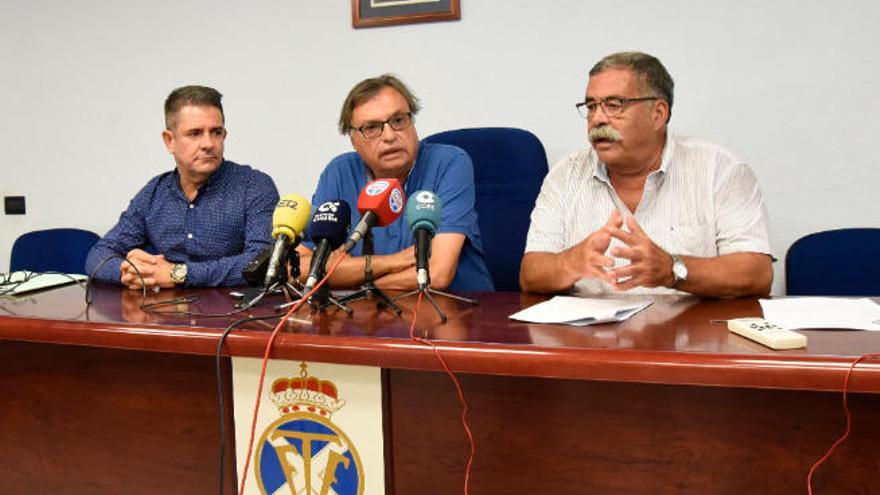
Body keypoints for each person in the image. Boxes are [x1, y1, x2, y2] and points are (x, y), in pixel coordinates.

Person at [520, 52, 772, 297]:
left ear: (658, 114)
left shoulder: (720, 169)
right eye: (591, 106)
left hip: (690, 334)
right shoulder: (566, 175)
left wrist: (672, 270)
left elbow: (757, 275)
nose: (597, 118)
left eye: (613, 105)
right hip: (590, 336)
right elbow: (531, 274)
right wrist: (571, 263)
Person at [300, 74, 493, 291]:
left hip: (452, 312)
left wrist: (348, 276)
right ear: (353, 140)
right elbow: (299, 268)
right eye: (372, 127)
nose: (390, 136)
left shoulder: (449, 163)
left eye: (398, 120)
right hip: (366, 318)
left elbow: (437, 274)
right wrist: (393, 262)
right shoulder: (339, 172)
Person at [85, 85, 279, 289]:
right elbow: (99, 255)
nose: (208, 143)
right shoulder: (154, 193)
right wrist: (131, 272)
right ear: (169, 140)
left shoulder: (254, 186)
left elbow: (261, 263)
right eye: (195, 133)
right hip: (164, 314)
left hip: (232, 313)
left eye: (216, 132)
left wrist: (178, 274)